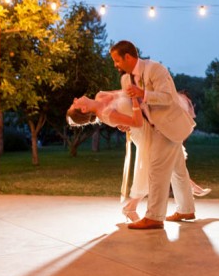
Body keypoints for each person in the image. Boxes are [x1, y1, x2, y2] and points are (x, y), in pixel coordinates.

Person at [67, 91, 210, 222]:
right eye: (74, 104)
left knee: (175, 161)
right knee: (152, 169)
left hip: (152, 124)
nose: (74, 98)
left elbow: (124, 95)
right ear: (84, 110)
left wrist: (134, 101)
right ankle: (131, 208)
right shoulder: (105, 114)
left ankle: (187, 205)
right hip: (145, 133)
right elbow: (136, 121)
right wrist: (135, 102)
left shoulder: (100, 95)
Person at [110, 40, 197, 230]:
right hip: (152, 128)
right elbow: (136, 109)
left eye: (117, 60)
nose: (115, 65)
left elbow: (168, 98)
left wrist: (144, 92)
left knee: (156, 168)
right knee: (178, 171)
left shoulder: (156, 69)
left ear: (128, 57)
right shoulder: (125, 80)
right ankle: (186, 209)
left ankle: (155, 217)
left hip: (169, 126)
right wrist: (126, 123)